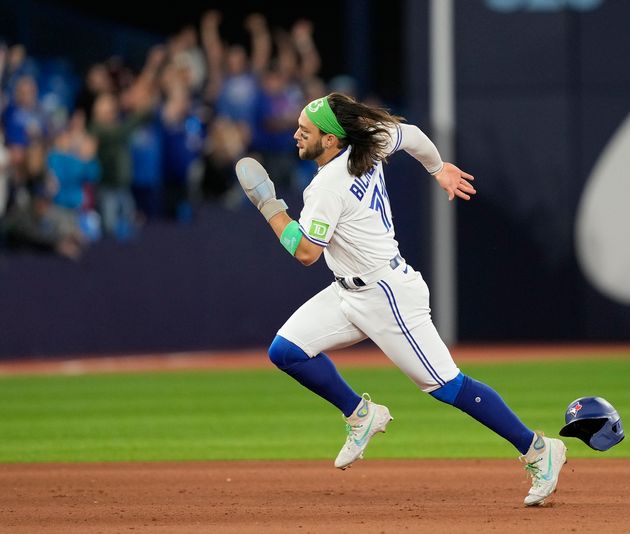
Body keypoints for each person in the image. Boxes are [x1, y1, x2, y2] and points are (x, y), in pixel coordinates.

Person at [234, 92, 567, 507]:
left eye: (307, 129)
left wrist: (269, 205)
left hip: (385, 295)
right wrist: (439, 167)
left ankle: (538, 449)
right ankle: (361, 414)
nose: (297, 134)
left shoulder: (327, 186)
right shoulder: (369, 140)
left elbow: (306, 253)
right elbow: (409, 135)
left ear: (333, 141)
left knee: (448, 386)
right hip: (347, 290)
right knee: (287, 351)